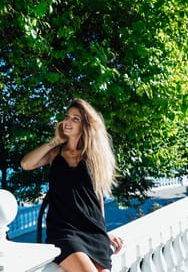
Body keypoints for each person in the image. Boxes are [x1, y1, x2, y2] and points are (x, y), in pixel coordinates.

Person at [21, 98, 123, 272]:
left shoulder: (93, 156)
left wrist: (103, 232)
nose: (68, 121)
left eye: (75, 119)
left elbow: (96, 196)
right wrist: (56, 139)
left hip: (92, 230)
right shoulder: (55, 153)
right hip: (64, 232)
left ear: (85, 125)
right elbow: (26, 164)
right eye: (67, 117)